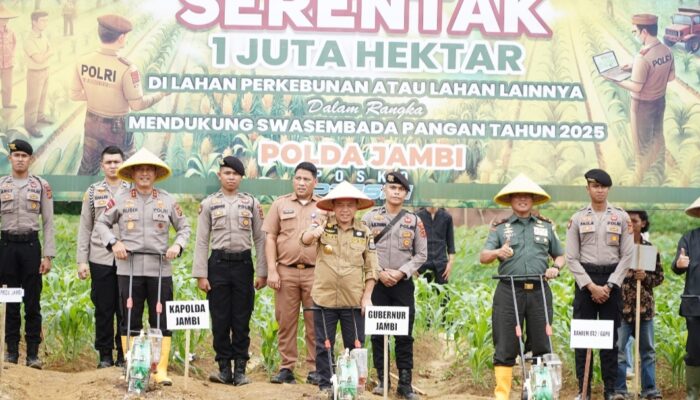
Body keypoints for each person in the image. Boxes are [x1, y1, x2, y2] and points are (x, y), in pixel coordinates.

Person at [95, 148, 191, 385]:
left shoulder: (167, 200)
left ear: (156, 174)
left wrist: (177, 247)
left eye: (150, 170)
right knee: (130, 320)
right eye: (141, 169)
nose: (145, 174)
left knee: (161, 320)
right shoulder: (120, 199)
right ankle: (132, 367)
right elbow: (101, 223)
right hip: (129, 269)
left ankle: (160, 370)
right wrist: (114, 242)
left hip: (160, 270)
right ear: (133, 173)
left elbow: (184, 228)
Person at [479, 174, 564, 400]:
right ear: (511, 199)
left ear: (533, 199)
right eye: (518, 195)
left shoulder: (546, 227)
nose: (523, 199)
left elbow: (561, 255)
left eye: (527, 195)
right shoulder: (500, 228)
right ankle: (502, 396)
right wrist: (498, 252)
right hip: (508, 291)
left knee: (541, 344)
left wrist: (556, 267)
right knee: (505, 345)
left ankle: (539, 394)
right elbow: (483, 256)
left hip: (539, 291)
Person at [192, 156, 266, 386]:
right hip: (218, 266)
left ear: (241, 177)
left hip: (244, 266)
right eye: (227, 173)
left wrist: (262, 271)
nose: (231, 177)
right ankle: (224, 368)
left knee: (241, 318)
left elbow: (260, 239)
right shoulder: (209, 204)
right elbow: (202, 240)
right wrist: (201, 274)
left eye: (235, 174)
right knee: (221, 318)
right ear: (219, 176)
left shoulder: (251, 203)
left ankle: (241, 370)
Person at [300, 181, 379, 397]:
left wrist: (367, 297)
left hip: (353, 301)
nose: (345, 209)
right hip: (323, 298)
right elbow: (305, 240)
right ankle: (326, 386)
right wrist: (314, 232)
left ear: (356, 207)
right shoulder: (323, 225)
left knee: (355, 346)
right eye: (340, 205)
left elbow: (372, 269)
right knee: (324, 345)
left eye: (350, 205)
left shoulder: (364, 232)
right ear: (333, 207)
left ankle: (354, 387)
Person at [566, 169, 634, 400]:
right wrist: (590, 286)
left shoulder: (621, 218)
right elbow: (571, 258)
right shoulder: (577, 219)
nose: (600, 190)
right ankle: (583, 390)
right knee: (583, 338)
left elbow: (627, 256)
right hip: (585, 282)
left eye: (604, 186)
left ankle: (610, 390)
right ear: (588, 189)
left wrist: (610, 285)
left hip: (611, 283)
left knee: (610, 341)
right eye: (595, 186)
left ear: (608, 189)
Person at [70, 14, 167, 175]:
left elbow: (74, 94)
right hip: (118, 128)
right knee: (127, 172)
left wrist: (98, 95)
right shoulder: (127, 68)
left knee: (88, 168)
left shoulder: (83, 61)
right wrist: (161, 95)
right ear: (121, 38)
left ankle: (83, 199)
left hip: (91, 123)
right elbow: (137, 104)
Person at [362, 171, 427, 400]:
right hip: (376, 284)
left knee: (404, 335)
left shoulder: (414, 221)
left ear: (406, 194)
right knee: (379, 333)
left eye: (401, 189)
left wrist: (400, 273)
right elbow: (362, 249)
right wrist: (379, 273)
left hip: (402, 285)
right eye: (392, 188)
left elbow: (421, 254)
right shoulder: (369, 218)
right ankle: (382, 380)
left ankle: (405, 385)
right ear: (385, 191)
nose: (396, 192)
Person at [262, 162, 322, 385]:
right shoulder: (280, 204)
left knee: (314, 321)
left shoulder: (324, 207)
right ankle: (286, 367)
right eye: (298, 178)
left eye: (307, 179)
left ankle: (315, 367)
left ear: (315, 182)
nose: (301, 183)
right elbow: (269, 238)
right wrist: (271, 270)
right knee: (286, 320)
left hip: (315, 273)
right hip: (285, 271)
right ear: (293, 180)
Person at [0, 139, 54, 369]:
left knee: (32, 303)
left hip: (32, 248)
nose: (20, 159)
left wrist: (48, 255)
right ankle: (11, 352)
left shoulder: (41, 185)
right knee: (11, 301)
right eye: (16, 155)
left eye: (24, 155)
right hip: (7, 248)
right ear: (10, 158)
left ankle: (32, 354)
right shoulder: (1, 185)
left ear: (31, 159)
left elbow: (49, 222)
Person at [76, 146, 130, 368]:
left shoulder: (133, 190)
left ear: (123, 163)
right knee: (104, 309)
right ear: (101, 166)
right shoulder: (92, 192)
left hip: (127, 259)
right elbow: (85, 227)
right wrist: (81, 260)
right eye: (108, 162)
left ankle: (124, 355)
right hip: (100, 258)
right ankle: (105, 356)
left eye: (117, 162)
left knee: (125, 309)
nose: (113, 166)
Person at [606, 14, 674, 185]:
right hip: (660, 101)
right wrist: (635, 69)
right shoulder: (666, 50)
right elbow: (671, 76)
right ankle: (659, 171)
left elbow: (636, 87)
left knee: (641, 144)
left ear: (644, 32)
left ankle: (640, 179)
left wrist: (616, 80)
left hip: (642, 106)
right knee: (658, 136)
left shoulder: (642, 57)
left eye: (635, 31)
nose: (634, 34)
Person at [615, 210, 663, 399]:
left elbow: (659, 277)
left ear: (642, 224)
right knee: (619, 351)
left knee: (648, 352)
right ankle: (620, 390)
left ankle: (649, 390)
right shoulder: (617, 249)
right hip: (622, 309)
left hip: (644, 311)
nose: (630, 224)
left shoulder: (650, 250)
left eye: (634, 221)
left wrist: (645, 277)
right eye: (627, 221)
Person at [672, 197, 700, 399]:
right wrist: (679, 264)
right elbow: (676, 266)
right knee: (695, 349)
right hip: (695, 305)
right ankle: (693, 394)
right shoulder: (689, 238)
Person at [23, 10, 52, 138]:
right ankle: (30, 125)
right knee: (33, 100)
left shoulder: (43, 35)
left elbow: (49, 51)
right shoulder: (28, 39)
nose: (46, 23)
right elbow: (38, 59)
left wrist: (45, 55)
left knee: (43, 96)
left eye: (47, 20)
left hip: (45, 70)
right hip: (34, 72)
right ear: (34, 22)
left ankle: (40, 117)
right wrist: (48, 54)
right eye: (43, 20)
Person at [416, 206, 455, 285]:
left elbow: (450, 243)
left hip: (441, 264)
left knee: (443, 294)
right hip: (422, 263)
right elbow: (412, 242)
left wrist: (450, 263)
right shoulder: (417, 217)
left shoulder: (447, 217)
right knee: (424, 294)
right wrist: (412, 265)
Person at [0, 5, 17, 109]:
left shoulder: (11, 31)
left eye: (7, 18)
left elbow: (14, 43)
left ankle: (7, 103)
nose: (5, 21)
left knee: (7, 85)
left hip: (8, 63)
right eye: (2, 18)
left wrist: (11, 55)